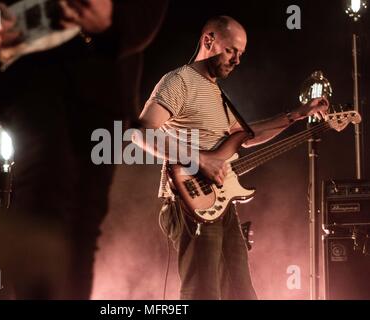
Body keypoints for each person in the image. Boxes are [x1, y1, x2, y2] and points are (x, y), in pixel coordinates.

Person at [0, 0, 168, 299]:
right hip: (29, 68)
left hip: (104, 75)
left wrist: (120, 18)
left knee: (83, 219)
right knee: (47, 188)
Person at [135, 15, 329, 300]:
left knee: (241, 293)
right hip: (190, 201)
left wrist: (298, 114)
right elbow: (141, 133)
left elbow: (247, 137)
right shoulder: (179, 82)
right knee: (203, 292)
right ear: (208, 40)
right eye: (231, 50)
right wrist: (200, 160)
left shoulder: (215, 92)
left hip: (221, 204)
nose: (237, 60)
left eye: (241, 54)